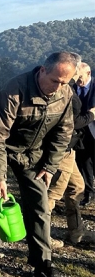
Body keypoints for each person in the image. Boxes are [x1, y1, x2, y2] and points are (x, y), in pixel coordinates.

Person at [0, 51, 79, 277]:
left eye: (65, 82)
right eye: (55, 80)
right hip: (1, 148)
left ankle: (42, 263)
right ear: (43, 70)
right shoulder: (15, 89)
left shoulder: (65, 93)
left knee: (40, 205)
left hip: (32, 154)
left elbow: (63, 133)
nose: (58, 87)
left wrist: (49, 166)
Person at [47, 62, 95, 248]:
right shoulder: (66, 92)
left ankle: (76, 232)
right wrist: (91, 115)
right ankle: (42, 235)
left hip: (71, 147)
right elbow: (73, 121)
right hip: (63, 148)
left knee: (77, 186)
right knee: (54, 193)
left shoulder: (67, 89)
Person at [74, 62, 95, 206]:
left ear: (88, 74)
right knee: (84, 165)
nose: (78, 81)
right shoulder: (71, 88)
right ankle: (88, 193)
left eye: (80, 77)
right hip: (80, 134)